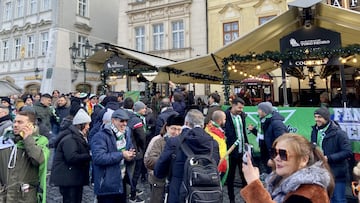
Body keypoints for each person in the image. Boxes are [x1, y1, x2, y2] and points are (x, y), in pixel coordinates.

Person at [241, 133, 334, 203]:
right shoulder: (275, 181)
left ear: (304, 160)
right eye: (274, 153)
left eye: (283, 154)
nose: (277, 158)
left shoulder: (310, 191)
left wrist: (254, 186)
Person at [154, 109, 220, 203]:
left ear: (186, 123)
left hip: (178, 193)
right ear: (202, 125)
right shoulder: (214, 144)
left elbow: (159, 171)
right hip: (206, 196)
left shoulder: (174, 141)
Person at [0, 110, 49, 203]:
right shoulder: (4, 142)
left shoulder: (41, 142)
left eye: (20, 122)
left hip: (25, 198)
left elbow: (38, 160)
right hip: (4, 197)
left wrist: (28, 139)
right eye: (15, 121)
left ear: (31, 125)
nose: (15, 125)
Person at [91, 109, 136, 203]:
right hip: (106, 184)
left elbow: (129, 148)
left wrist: (131, 155)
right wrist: (122, 155)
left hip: (121, 181)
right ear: (113, 121)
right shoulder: (100, 136)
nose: (124, 124)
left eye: (126, 121)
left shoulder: (126, 134)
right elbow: (98, 158)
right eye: (121, 121)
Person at [311, 107, 352, 203]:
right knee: (326, 199)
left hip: (337, 173)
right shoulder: (315, 131)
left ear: (326, 118)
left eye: (319, 117)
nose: (317, 119)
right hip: (320, 172)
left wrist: (328, 158)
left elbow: (347, 151)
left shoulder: (339, 133)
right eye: (315, 117)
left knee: (339, 199)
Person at [50, 109, 92, 203]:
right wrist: (89, 156)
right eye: (87, 124)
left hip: (73, 177)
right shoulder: (70, 139)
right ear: (80, 125)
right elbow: (71, 157)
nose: (88, 127)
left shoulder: (77, 135)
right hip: (69, 178)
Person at [144, 115, 184, 203]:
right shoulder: (159, 141)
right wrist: (165, 161)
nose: (176, 132)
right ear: (167, 128)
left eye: (179, 129)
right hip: (160, 183)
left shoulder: (184, 144)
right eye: (173, 128)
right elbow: (148, 161)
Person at [248, 101, 287, 174]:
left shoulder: (275, 122)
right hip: (265, 150)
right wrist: (253, 130)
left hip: (272, 152)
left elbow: (282, 139)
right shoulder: (264, 121)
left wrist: (274, 154)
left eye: (259, 110)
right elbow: (265, 136)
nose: (257, 112)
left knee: (274, 171)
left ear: (264, 111)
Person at [224, 97, 249, 203]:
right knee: (231, 177)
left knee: (244, 177)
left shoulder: (242, 116)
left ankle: (246, 199)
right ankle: (231, 199)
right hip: (231, 151)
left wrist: (246, 144)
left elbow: (243, 131)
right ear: (233, 105)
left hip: (242, 150)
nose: (241, 110)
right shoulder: (225, 116)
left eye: (242, 108)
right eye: (239, 107)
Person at [127, 101, 147, 203]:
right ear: (139, 109)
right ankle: (133, 195)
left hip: (130, 149)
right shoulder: (137, 121)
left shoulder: (130, 117)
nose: (145, 110)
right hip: (137, 150)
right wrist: (142, 148)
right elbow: (142, 137)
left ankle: (131, 191)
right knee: (135, 174)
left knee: (130, 173)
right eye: (144, 108)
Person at [205, 110, 228, 185]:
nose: (225, 121)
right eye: (224, 119)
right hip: (218, 165)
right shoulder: (216, 134)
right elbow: (221, 151)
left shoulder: (209, 128)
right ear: (220, 120)